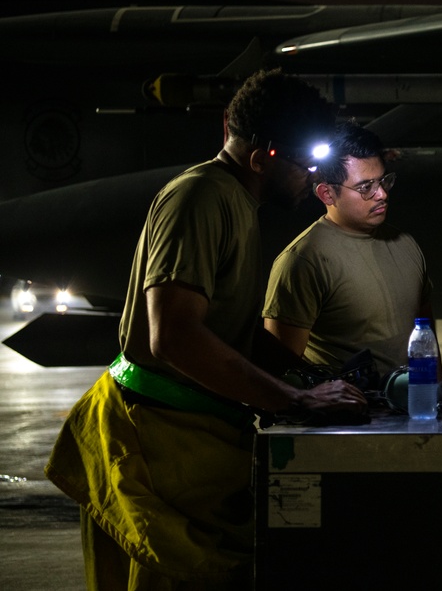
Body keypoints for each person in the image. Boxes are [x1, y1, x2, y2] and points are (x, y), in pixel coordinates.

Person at [45, 69, 367, 590]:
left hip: (190, 443)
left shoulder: (238, 202)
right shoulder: (199, 198)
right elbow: (173, 336)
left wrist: (313, 378)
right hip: (154, 446)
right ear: (264, 156)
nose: (312, 177)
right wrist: (293, 400)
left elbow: (228, 330)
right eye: (305, 163)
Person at [263, 120, 441, 380]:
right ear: (326, 194)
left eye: (383, 181)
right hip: (342, 419)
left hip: (412, 412)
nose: (381, 194)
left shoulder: (405, 244)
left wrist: (436, 396)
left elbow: (426, 336)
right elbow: (279, 370)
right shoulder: (302, 261)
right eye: (365, 187)